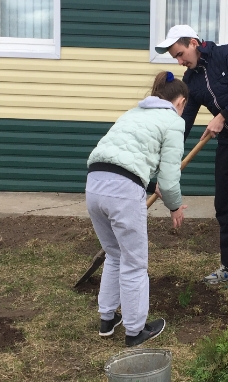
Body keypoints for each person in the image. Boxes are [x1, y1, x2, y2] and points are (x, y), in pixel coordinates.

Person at [155, 25, 228, 298]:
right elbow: (183, 122)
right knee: (224, 206)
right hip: (227, 143)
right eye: (176, 58)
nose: (180, 61)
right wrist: (167, 159)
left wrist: (223, 115)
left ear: (194, 42)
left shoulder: (227, 56)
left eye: (181, 54)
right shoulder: (191, 80)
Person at [86, 71, 189, 347]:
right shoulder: (173, 121)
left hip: (94, 183)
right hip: (123, 190)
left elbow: (133, 154)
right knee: (134, 262)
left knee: (114, 254)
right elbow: (168, 180)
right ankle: (135, 331)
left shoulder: (133, 112)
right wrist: (175, 206)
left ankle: (107, 319)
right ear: (180, 102)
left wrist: (151, 179)